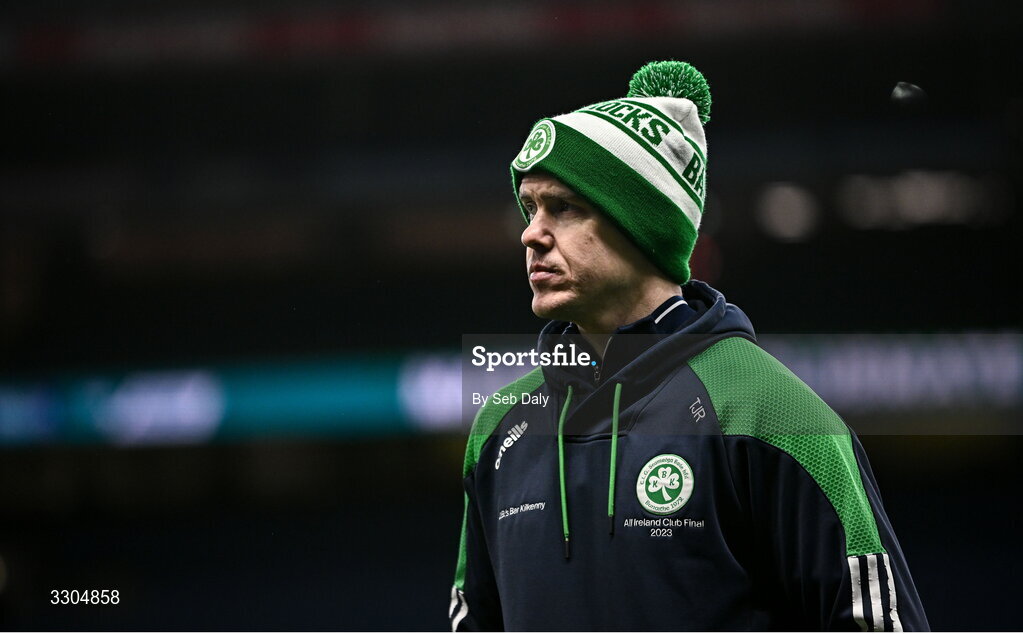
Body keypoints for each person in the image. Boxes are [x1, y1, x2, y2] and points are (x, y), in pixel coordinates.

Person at [449, 61, 928, 631]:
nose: (531, 233)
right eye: (530, 208)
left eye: (565, 207)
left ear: (641, 224)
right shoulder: (501, 427)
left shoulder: (773, 414)